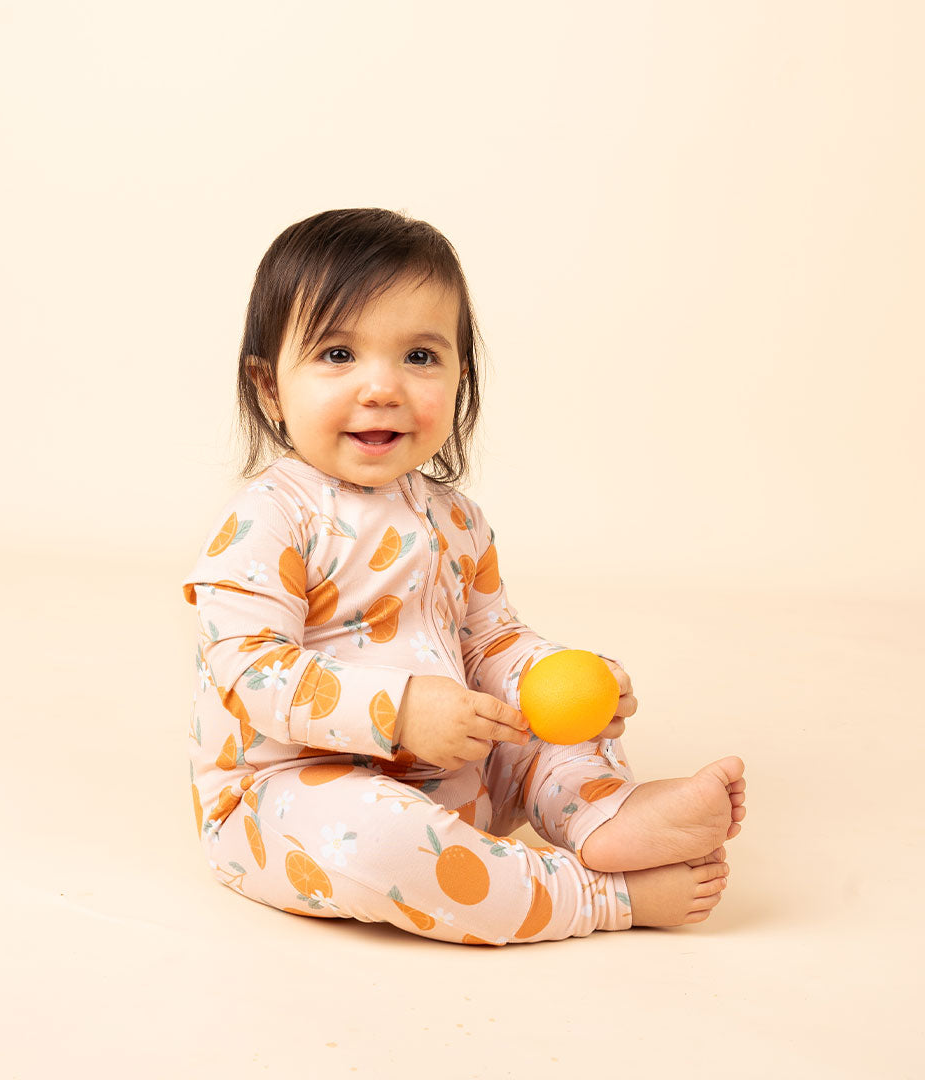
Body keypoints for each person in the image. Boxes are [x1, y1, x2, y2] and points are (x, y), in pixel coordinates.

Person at [181, 208, 746, 944]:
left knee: (548, 734)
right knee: (379, 843)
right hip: (290, 795)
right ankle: (601, 895)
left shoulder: (457, 519)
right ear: (268, 387)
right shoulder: (271, 518)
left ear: (460, 377)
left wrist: (560, 680)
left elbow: (490, 640)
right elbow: (248, 671)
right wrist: (399, 710)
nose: (381, 387)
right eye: (338, 354)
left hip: (455, 775)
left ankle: (606, 814)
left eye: (419, 357)